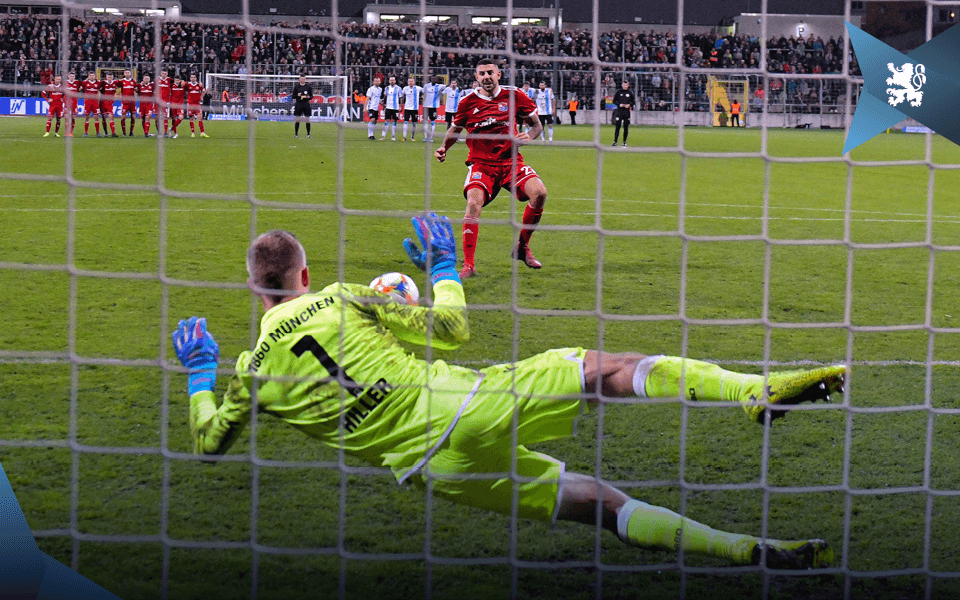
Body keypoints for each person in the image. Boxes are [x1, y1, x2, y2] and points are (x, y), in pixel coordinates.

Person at [172, 214, 845, 572]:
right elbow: (455, 329)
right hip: (463, 402)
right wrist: (441, 269)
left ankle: (744, 552)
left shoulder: (250, 372)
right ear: (303, 273)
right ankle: (755, 392)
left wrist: (200, 375)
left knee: (597, 504)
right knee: (609, 368)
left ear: (254, 289)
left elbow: (208, 443)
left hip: (433, 468)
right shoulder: (341, 300)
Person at [434, 59, 547, 279]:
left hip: (511, 162)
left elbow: (537, 125)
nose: (486, 77)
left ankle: (522, 247)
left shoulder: (515, 97)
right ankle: (468, 265)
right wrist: (443, 147)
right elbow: (455, 129)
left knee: (540, 192)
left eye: (490, 73)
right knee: (473, 203)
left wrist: (530, 136)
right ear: (476, 77)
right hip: (481, 164)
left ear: (498, 75)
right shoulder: (467, 102)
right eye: (482, 73)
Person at [422, 76, 447, 143]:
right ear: (430, 79)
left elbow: (446, 86)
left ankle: (431, 137)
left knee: (433, 121)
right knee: (425, 121)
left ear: (437, 80)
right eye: (432, 78)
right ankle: (425, 137)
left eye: (435, 79)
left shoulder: (439, 86)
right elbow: (423, 93)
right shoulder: (426, 86)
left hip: (434, 107)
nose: (434, 79)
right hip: (426, 106)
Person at [611, 81, 635, 147]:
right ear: (622, 85)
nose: (625, 86)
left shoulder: (630, 93)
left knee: (626, 127)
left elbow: (633, 101)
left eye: (626, 85)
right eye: (624, 85)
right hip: (619, 111)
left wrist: (629, 105)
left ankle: (624, 142)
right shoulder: (619, 92)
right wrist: (619, 104)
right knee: (617, 126)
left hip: (626, 112)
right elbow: (614, 101)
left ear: (628, 86)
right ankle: (615, 142)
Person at [185, 74, 209, 138]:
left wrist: (201, 97)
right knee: (191, 118)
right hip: (190, 104)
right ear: (190, 78)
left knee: (200, 117)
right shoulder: (187, 85)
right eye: (192, 77)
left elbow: (204, 91)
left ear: (196, 78)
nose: (193, 78)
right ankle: (193, 133)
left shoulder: (199, 85)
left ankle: (202, 132)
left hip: (197, 104)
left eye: (194, 77)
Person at [401, 76, 423, 142]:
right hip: (407, 108)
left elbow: (425, 92)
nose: (410, 82)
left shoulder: (418, 88)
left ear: (414, 82)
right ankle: (404, 137)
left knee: (414, 123)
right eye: (409, 81)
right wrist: (401, 105)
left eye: (412, 81)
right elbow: (401, 96)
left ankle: (412, 137)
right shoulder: (405, 88)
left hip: (415, 109)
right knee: (405, 122)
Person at [291, 74, 313, 139]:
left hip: (306, 104)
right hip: (299, 104)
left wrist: (307, 97)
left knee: (307, 120)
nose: (303, 80)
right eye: (302, 79)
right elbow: (293, 96)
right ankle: (296, 134)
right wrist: (298, 95)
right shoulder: (296, 87)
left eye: (304, 79)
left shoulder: (308, 87)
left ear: (305, 79)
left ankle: (308, 134)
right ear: (300, 79)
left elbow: (311, 96)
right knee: (297, 120)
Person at [118, 69, 138, 137]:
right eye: (126, 73)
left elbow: (137, 89)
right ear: (124, 74)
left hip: (132, 102)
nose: (127, 74)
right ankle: (124, 133)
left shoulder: (133, 81)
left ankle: (131, 132)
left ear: (130, 74)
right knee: (123, 117)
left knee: (133, 117)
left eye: (128, 73)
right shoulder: (121, 82)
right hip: (125, 102)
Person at [80, 72, 102, 137]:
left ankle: (98, 133)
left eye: (93, 76)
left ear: (95, 76)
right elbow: (80, 88)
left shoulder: (98, 83)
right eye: (90, 76)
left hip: (95, 102)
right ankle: (86, 132)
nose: (91, 77)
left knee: (96, 117)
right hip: (87, 102)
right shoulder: (85, 83)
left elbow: (101, 88)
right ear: (88, 76)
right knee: (87, 117)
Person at [381, 76, 402, 141]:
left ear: (395, 81)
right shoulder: (387, 88)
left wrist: (400, 106)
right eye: (390, 80)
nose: (392, 81)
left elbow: (401, 97)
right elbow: (385, 97)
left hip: (395, 108)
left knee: (394, 121)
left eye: (393, 80)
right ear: (389, 81)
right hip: (388, 107)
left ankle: (393, 136)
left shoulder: (398, 88)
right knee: (386, 120)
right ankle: (383, 135)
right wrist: (383, 105)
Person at [100, 71, 119, 138]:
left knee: (111, 117)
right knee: (104, 118)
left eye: (111, 77)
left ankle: (113, 133)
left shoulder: (115, 83)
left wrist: (117, 94)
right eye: (108, 77)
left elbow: (123, 86)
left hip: (110, 103)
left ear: (112, 77)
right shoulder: (103, 83)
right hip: (102, 103)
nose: (110, 78)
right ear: (106, 77)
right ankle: (106, 133)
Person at [365, 76, 383, 140]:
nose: (377, 82)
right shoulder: (371, 89)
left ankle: (372, 134)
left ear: (380, 82)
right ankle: (370, 135)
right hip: (371, 107)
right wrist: (365, 107)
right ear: (373, 82)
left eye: (378, 81)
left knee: (375, 121)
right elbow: (367, 99)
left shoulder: (380, 89)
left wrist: (382, 103)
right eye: (376, 81)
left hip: (376, 108)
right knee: (372, 119)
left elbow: (378, 99)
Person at [156, 69, 172, 137]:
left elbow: (177, 82)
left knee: (165, 117)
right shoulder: (157, 80)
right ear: (160, 73)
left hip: (166, 102)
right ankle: (159, 132)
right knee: (157, 117)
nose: (164, 75)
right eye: (162, 73)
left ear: (167, 74)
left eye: (165, 73)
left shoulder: (169, 80)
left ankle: (165, 132)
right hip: (158, 101)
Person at [64, 71, 79, 137]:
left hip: (74, 103)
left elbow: (85, 83)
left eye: (73, 76)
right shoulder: (65, 83)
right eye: (71, 76)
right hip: (67, 103)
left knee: (73, 118)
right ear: (68, 76)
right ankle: (66, 132)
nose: (72, 77)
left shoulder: (77, 83)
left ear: (74, 77)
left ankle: (71, 132)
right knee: (66, 118)